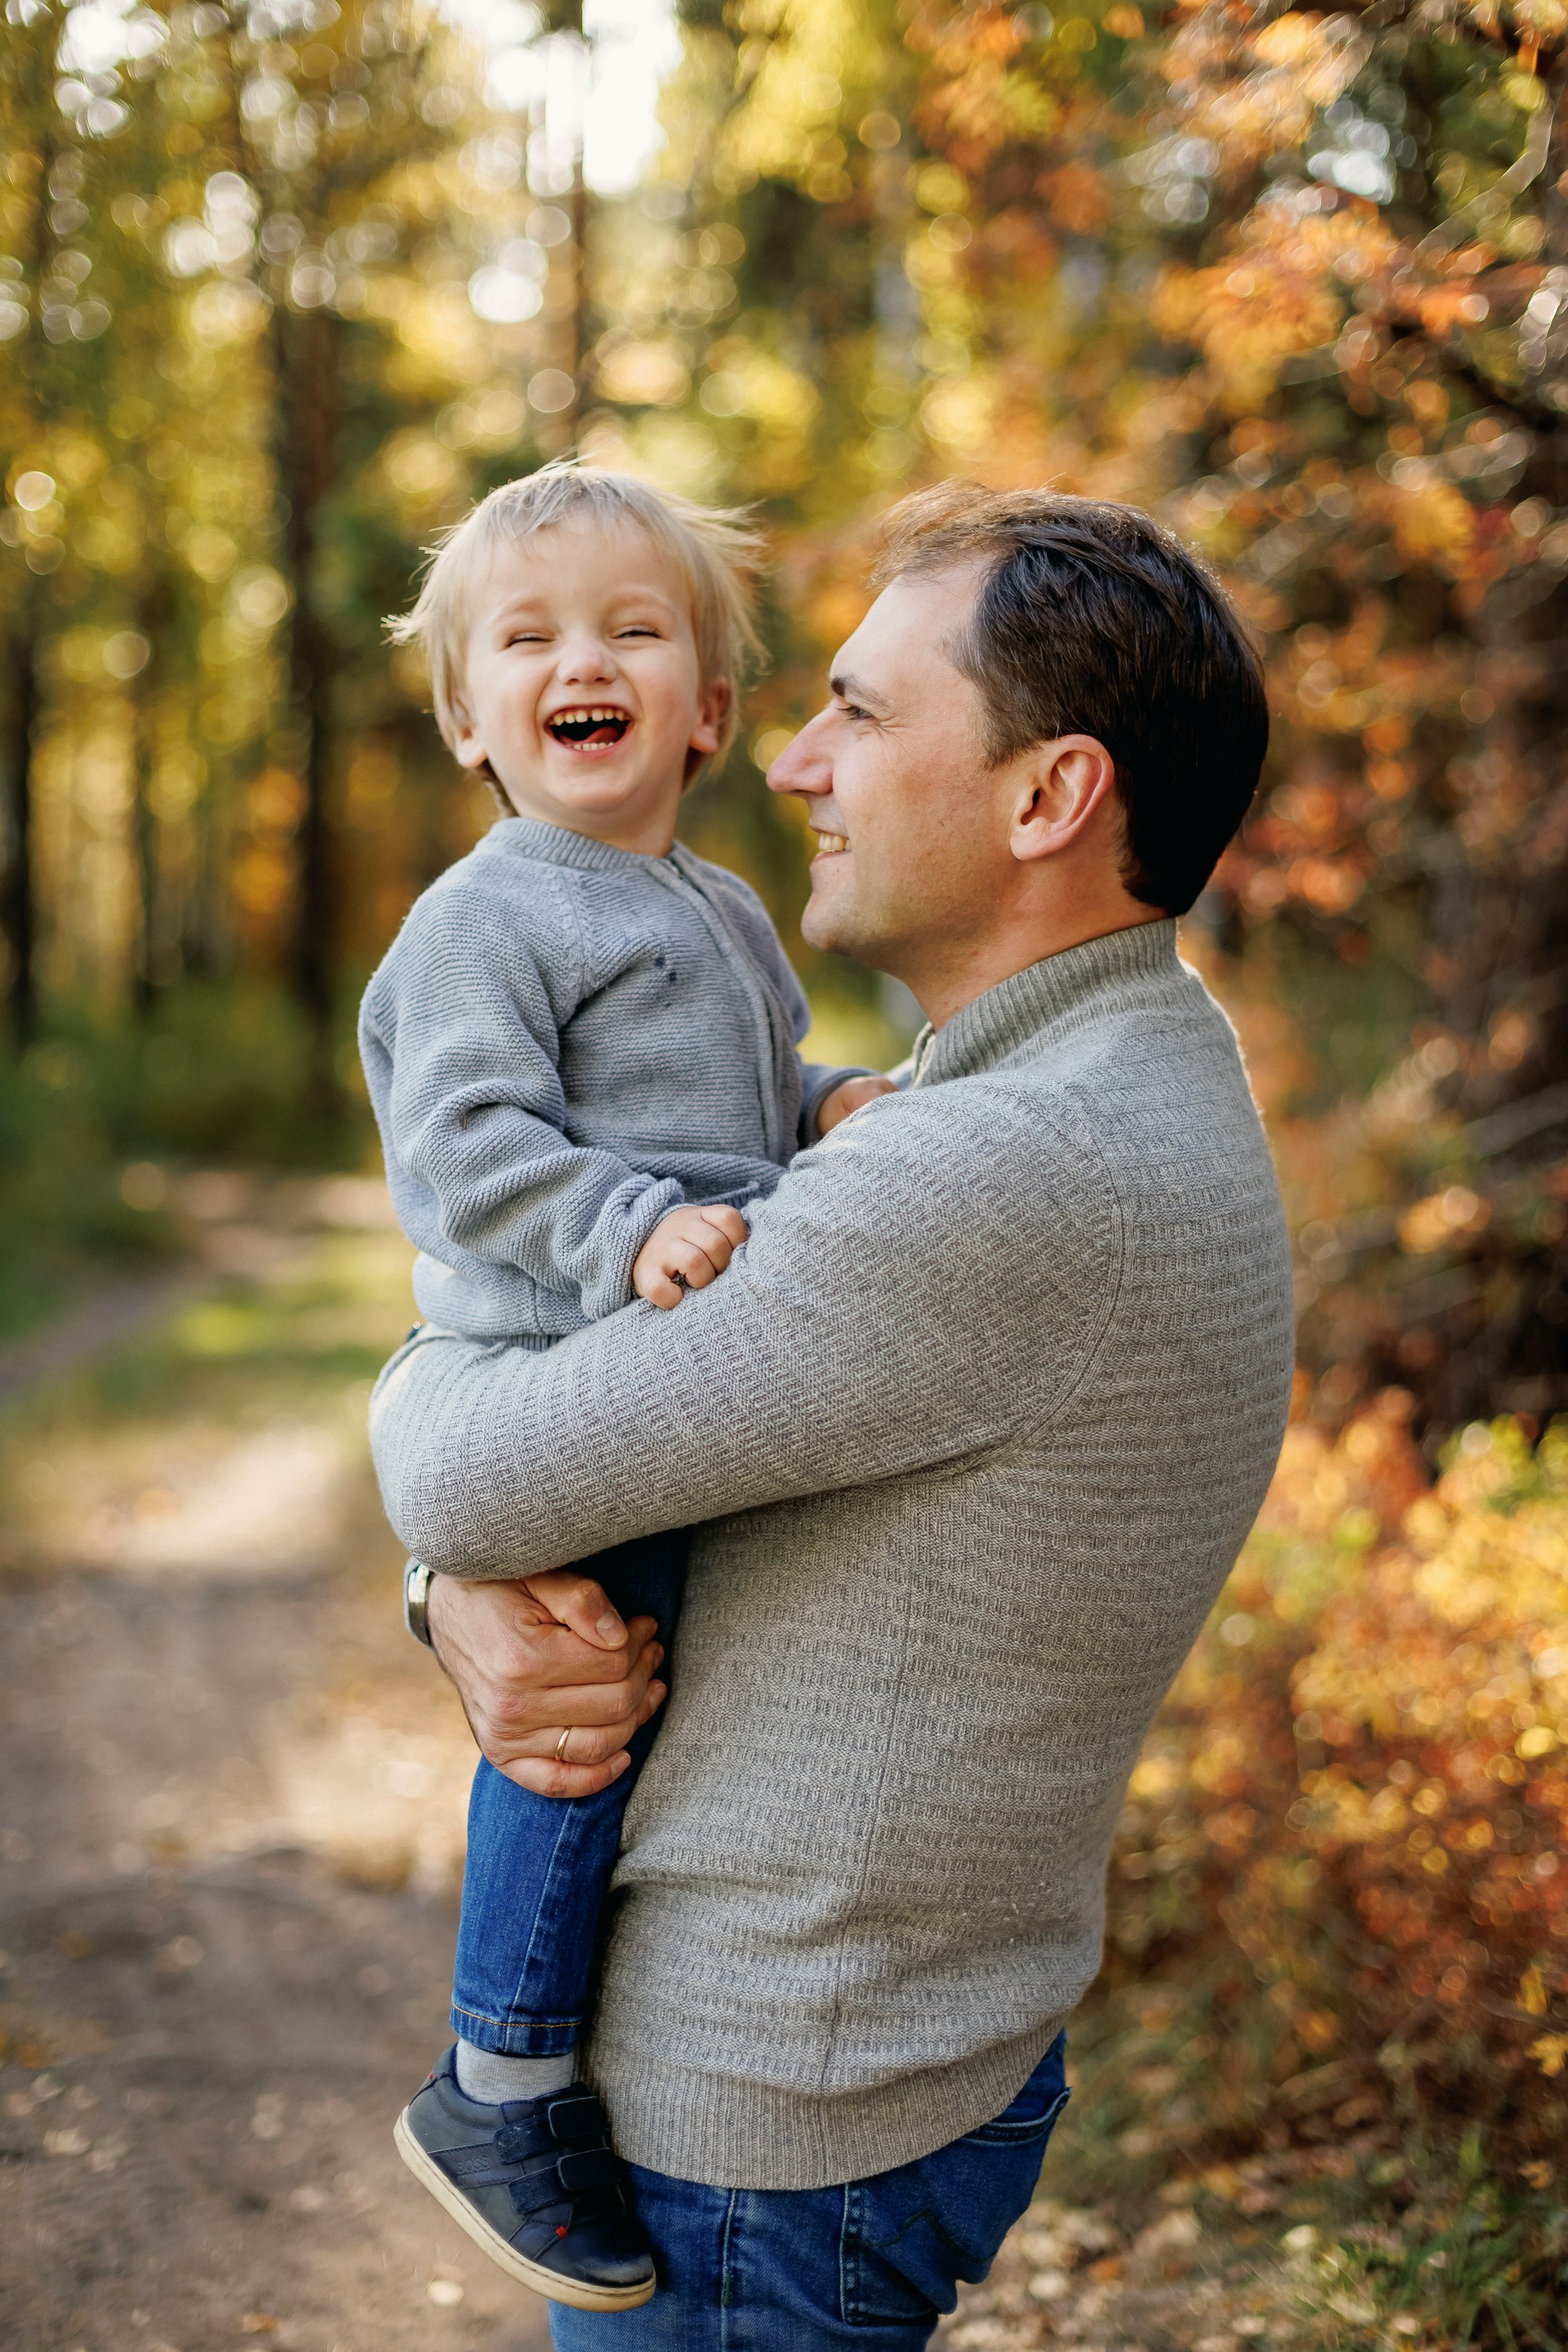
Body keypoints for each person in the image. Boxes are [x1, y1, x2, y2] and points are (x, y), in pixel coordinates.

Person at [369, 482, 1298, 2350]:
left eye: (861, 714)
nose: (793, 762)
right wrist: (454, 1584)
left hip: (767, 2126)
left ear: (1049, 797)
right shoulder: (1116, 1064)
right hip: (881, 2054)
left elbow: (474, 1479)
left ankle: (496, 2079)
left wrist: (445, 1541)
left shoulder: (1000, 1171)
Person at [359, 461, 886, 2313]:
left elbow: (745, 1097)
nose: (581, 662)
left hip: (664, 1337)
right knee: (575, 1704)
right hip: (555, 1355)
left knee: (645, 1691)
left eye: (631, 630)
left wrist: (828, 1105)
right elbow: (468, 1148)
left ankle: (600, 2032)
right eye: (528, 640)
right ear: (469, 718)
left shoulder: (724, 909)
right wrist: (629, 1227)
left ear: (710, 708)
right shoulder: (486, 920)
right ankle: (499, 2076)